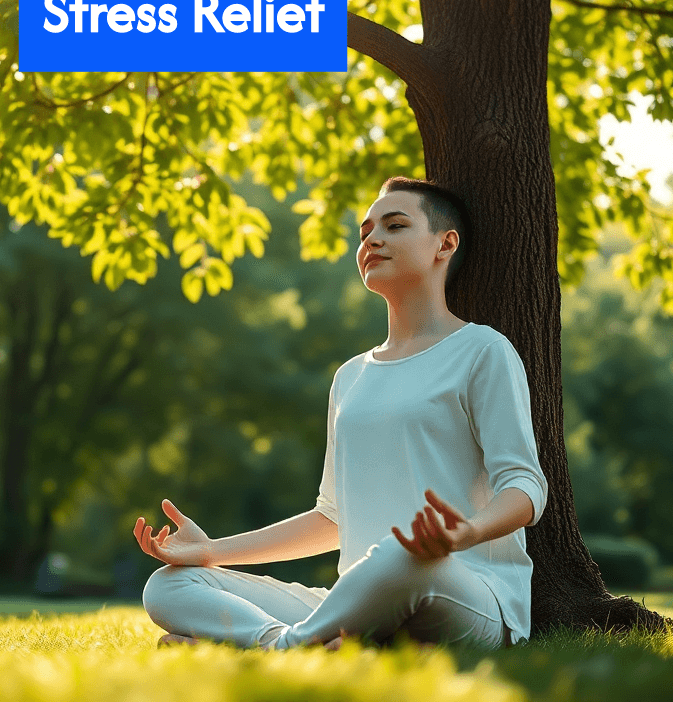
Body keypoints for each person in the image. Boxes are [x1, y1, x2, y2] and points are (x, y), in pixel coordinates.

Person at [133, 176, 548, 651]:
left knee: (402, 554)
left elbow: (527, 487)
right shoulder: (351, 376)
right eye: (366, 231)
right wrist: (211, 552)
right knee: (169, 584)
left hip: (464, 594)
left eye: (394, 226)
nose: (373, 239)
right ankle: (296, 645)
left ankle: (284, 649)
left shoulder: (482, 351)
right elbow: (331, 519)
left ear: (444, 244)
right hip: (354, 597)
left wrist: (466, 532)